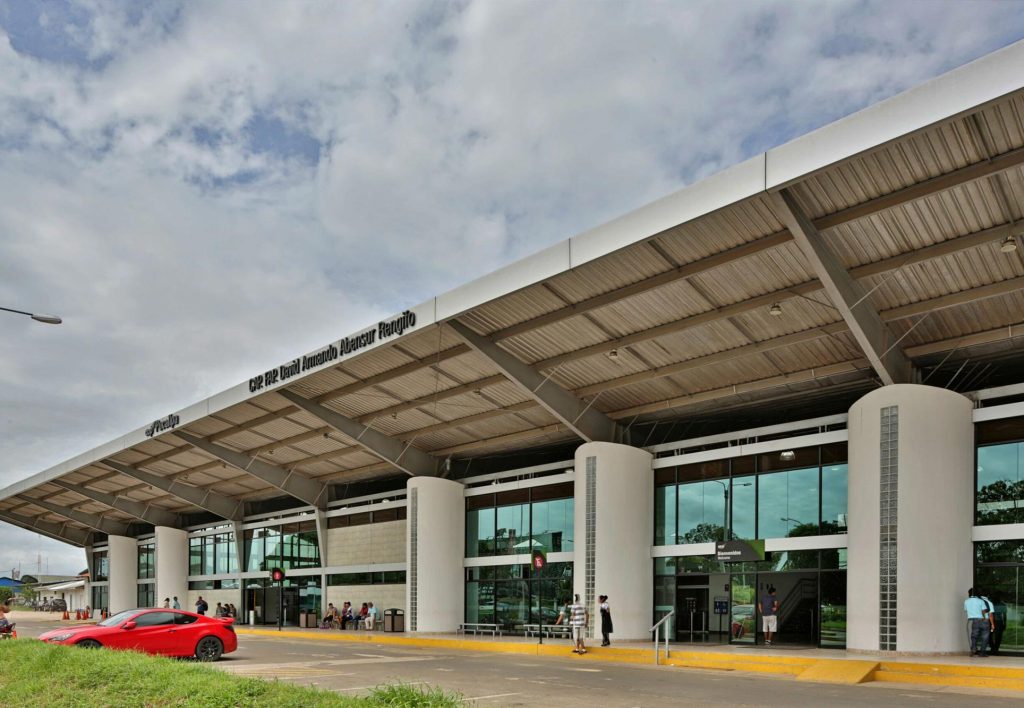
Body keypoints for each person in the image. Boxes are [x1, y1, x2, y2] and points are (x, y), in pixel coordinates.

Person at [964, 587, 990, 657]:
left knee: (974, 636)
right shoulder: (980, 601)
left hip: (974, 620)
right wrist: (984, 617)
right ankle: (982, 653)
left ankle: (973, 649)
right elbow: (984, 610)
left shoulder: (966, 601)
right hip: (983, 620)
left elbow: (966, 610)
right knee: (985, 636)